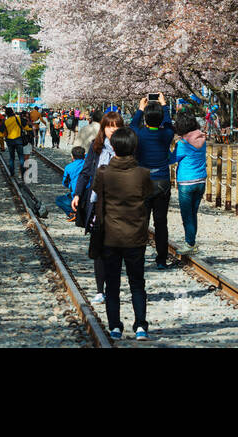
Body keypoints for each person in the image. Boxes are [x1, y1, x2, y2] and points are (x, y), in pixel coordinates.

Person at [92, 126, 152, 340]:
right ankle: (140, 326)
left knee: (112, 283)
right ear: (134, 148)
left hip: (110, 236)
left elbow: (99, 196)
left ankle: (115, 326)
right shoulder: (143, 174)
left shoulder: (104, 173)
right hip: (136, 236)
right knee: (137, 283)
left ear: (114, 147)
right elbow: (147, 195)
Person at [72, 111, 125, 305]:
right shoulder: (96, 147)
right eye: (109, 126)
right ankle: (100, 290)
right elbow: (86, 172)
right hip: (97, 203)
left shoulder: (126, 147)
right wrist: (77, 194)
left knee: (116, 249)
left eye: (117, 126)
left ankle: (113, 289)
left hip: (119, 204)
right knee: (99, 248)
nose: (113, 130)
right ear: (103, 128)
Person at [131, 96, 175, 269]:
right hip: (162, 181)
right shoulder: (167, 134)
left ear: (146, 118)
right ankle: (162, 260)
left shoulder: (139, 133)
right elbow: (170, 124)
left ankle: (139, 258)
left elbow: (133, 125)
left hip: (143, 181)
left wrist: (140, 108)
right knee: (160, 222)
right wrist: (164, 105)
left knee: (142, 222)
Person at [170, 112, 207, 254]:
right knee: (193, 213)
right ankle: (191, 242)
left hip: (186, 182)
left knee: (187, 215)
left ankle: (190, 244)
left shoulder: (183, 144)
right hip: (201, 181)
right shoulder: (202, 139)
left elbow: (171, 159)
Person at [55, 146, 87, 218]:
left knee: (59, 200)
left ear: (72, 156)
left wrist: (71, 185)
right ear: (84, 155)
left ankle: (72, 214)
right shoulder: (88, 164)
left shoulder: (69, 167)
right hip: (88, 195)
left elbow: (65, 183)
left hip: (76, 196)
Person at [3, 106, 25, 178]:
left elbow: (3, 132)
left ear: (6, 114)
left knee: (11, 157)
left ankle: (12, 172)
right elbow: (25, 126)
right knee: (21, 157)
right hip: (18, 140)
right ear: (12, 112)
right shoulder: (18, 118)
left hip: (10, 141)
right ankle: (23, 172)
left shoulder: (6, 121)